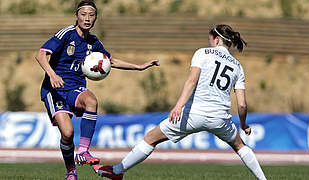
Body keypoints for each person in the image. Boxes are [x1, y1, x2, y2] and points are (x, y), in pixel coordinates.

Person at [93, 24, 267, 180]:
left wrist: (178, 106)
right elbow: (242, 104)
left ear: (217, 39)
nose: (209, 43)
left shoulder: (202, 53)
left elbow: (191, 81)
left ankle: (116, 171)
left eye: (210, 39)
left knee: (151, 138)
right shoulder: (237, 66)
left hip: (193, 114)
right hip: (219, 118)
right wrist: (243, 125)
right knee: (240, 146)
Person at [35, 1, 159, 179]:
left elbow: (111, 61)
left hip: (76, 88)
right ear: (76, 16)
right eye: (83, 14)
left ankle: (84, 151)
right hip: (55, 89)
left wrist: (139, 67)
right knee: (68, 134)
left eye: (91, 15)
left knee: (92, 100)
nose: (87, 18)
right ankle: (71, 172)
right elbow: (40, 54)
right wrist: (52, 75)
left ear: (95, 18)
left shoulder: (93, 42)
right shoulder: (66, 34)